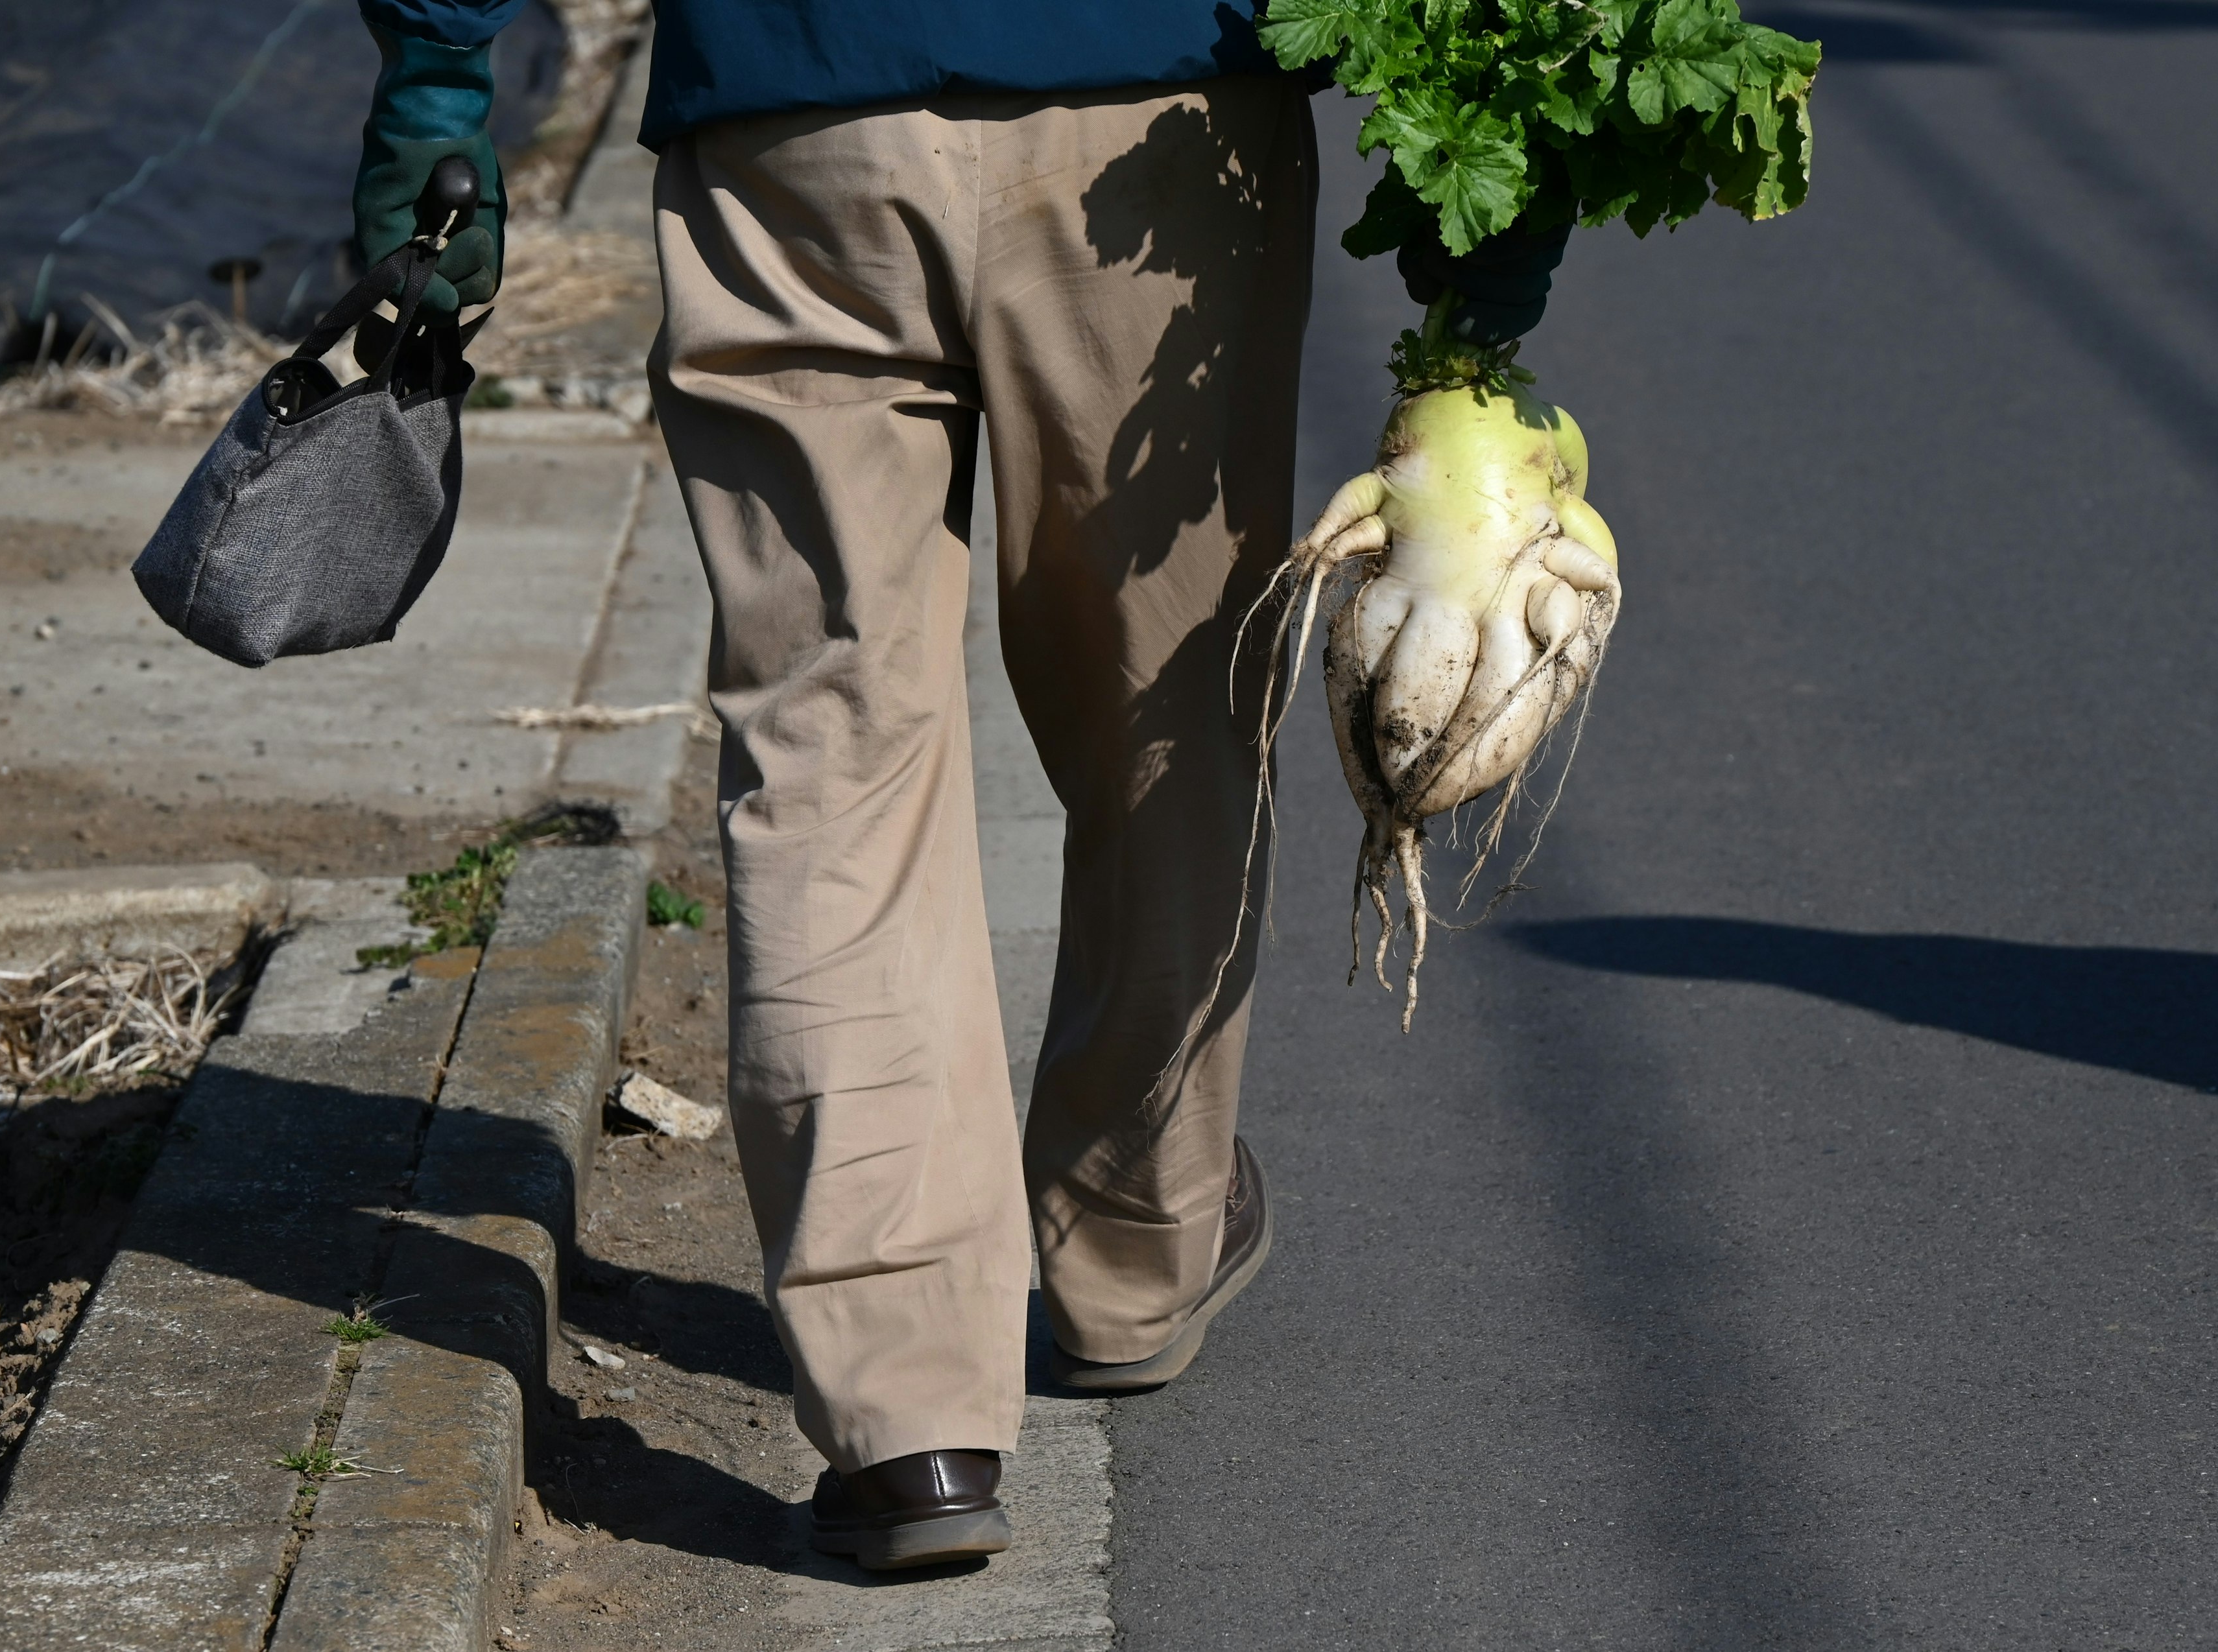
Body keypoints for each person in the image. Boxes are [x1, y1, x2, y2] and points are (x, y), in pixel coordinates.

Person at [352, 0, 1567, 1572]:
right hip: (1156, 116)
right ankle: (1136, 1241)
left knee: (829, 741)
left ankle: (905, 1408)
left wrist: (442, 72)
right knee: (1170, 705)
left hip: (792, 116)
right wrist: (1499, 219)